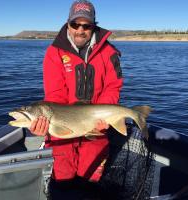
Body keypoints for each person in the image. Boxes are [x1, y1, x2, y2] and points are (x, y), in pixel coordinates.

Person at [30, 0, 123, 198]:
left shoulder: (110, 52)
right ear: (68, 24)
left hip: (96, 129)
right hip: (62, 135)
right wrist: (45, 125)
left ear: (93, 25)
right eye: (75, 24)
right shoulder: (54, 53)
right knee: (62, 185)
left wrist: (105, 119)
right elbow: (55, 95)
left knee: (90, 183)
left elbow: (112, 87)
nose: (80, 30)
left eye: (86, 25)